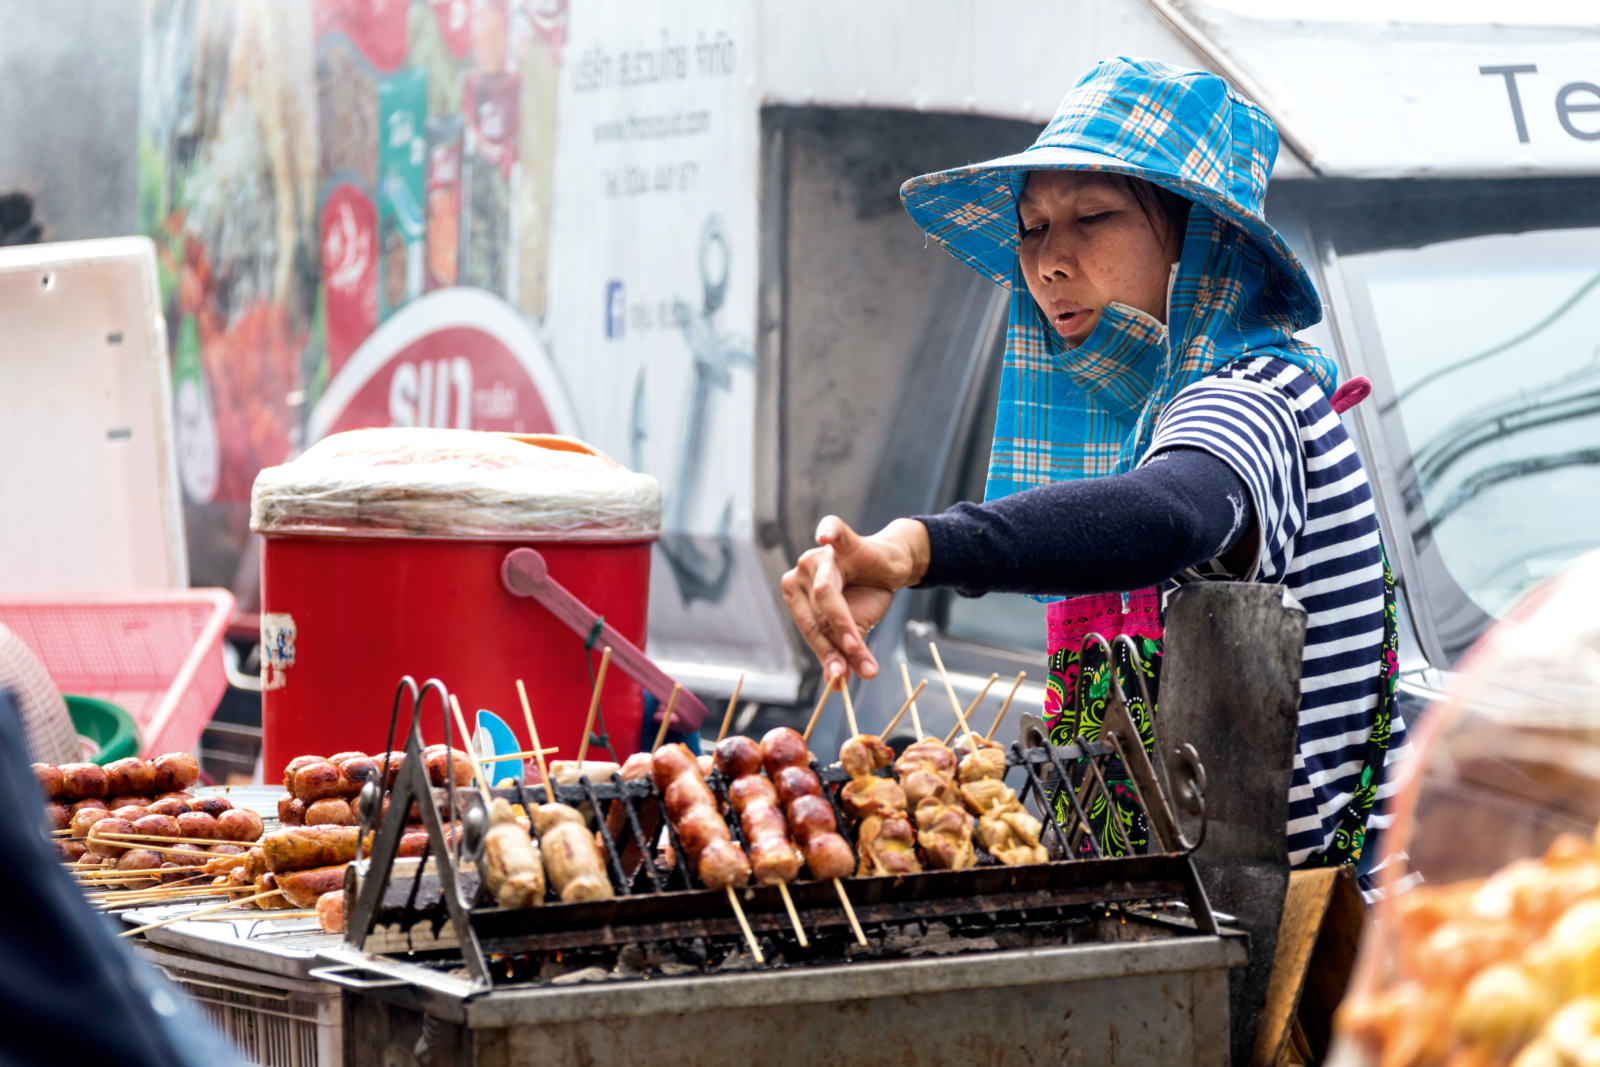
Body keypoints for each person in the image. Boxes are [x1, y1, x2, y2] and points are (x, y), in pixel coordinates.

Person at [781, 57, 1409, 883]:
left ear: (1197, 238)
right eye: (1034, 226)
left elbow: (1168, 515)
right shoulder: (1144, 423)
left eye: (1095, 218)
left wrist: (916, 548)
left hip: (1320, 949)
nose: (1050, 261)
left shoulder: (1258, 395)